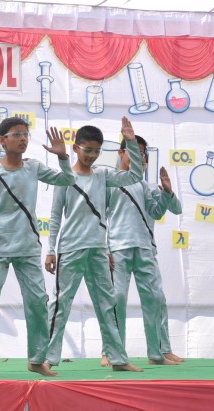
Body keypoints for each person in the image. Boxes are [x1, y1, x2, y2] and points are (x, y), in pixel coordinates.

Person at [0, 118, 74, 376]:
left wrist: (63, 157)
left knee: (38, 301)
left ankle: (37, 359)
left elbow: (67, 180)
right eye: (16, 134)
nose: (23, 139)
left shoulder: (34, 167)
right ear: (2, 140)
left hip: (27, 245)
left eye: (25, 134)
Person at [44, 117, 144, 373]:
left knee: (107, 304)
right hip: (70, 248)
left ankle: (118, 358)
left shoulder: (102, 175)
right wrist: (51, 250)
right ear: (75, 148)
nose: (91, 156)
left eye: (96, 151)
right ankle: (47, 358)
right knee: (60, 304)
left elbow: (134, 175)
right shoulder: (65, 178)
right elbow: (55, 216)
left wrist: (131, 142)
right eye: (87, 150)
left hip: (98, 250)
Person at [100, 136, 184, 367]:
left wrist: (168, 193)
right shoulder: (109, 183)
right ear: (121, 153)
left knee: (155, 298)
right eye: (133, 151)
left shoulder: (147, 187)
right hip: (117, 249)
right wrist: (103, 248)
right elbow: (99, 216)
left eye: (142, 154)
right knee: (116, 298)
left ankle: (158, 353)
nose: (139, 157)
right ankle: (110, 351)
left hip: (145, 248)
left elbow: (169, 210)